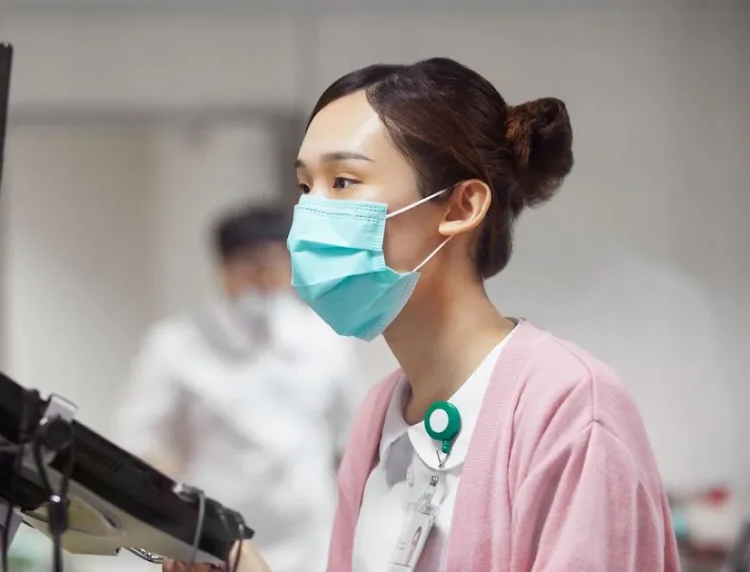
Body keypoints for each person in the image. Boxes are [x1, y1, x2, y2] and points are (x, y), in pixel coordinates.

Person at [163, 58, 679, 572]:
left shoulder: (569, 410)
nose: (309, 218)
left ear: (459, 207)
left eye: (343, 181)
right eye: (305, 188)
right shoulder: (378, 416)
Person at [115, 204, 364, 572]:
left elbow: (354, 439)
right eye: (251, 265)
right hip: (219, 538)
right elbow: (139, 440)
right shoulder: (176, 344)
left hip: (311, 541)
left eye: (275, 265)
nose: (264, 279)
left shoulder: (327, 338)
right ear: (224, 269)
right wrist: (173, 505)